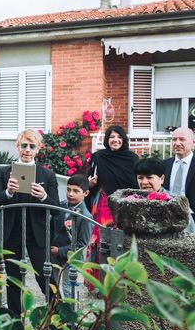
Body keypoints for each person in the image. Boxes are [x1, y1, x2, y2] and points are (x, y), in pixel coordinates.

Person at [0, 129, 59, 313]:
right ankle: (14, 321)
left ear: (38, 149)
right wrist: (8, 192)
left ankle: (58, 317)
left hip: (37, 234)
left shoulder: (47, 175)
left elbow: (57, 210)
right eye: (24, 145)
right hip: (11, 232)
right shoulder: (5, 173)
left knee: (45, 276)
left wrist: (44, 196)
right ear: (17, 146)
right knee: (13, 279)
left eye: (32, 146)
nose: (27, 150)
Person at [87, 125, 138, 282]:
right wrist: (91, 183)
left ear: (123, 140)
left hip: (125, 206)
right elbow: (89, 182)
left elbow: (136, 184)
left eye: (118, 137)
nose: (115, 140)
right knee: (101, 242)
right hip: (104, 206)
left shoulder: (132, 158)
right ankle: (99, 281)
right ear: (106, 140)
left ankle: (122, 280)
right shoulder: (99, 157)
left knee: (124, 242)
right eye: (111, 137)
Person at [50, 174, 93, 298]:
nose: (71, 194)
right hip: (54, 255)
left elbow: (82, 243)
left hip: (71, 257)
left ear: (85, 193)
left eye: (76, 191)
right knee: (53, 286)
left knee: (68, 288)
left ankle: (70, 315)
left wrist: (60, 251)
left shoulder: (86, 217)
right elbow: (52, 227)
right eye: (68, 190)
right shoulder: (60, 206)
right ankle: (55, 311)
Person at [137, 156, 195, 233]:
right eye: (140, 178)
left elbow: (190, 233)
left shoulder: (176, 202)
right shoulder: (130, 200)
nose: (144, 182)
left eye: (149, 177)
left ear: (162, 179)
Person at [163, 127, 195, 219]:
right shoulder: (164, 165)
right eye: (174, 139)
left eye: (182, 139)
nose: (177, 143)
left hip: (192, 216)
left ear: (193, 142)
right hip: (167, 216)